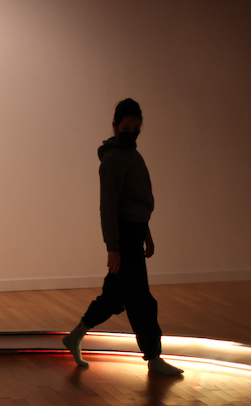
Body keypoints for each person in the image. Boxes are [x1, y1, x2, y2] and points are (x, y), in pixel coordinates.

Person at [62, 98, 184, 376]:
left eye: (136, 129)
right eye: (126, 128)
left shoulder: (132, 155)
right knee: (141, 301)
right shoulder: (114, 159)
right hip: (125, 238)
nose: (131, 133)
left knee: (115, 296)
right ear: (115, 126)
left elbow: (136, 201)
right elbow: (109, 207)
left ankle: (75, 335)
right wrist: (113, 247)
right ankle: (153, 357)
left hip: (134, 234)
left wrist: (147, 234)